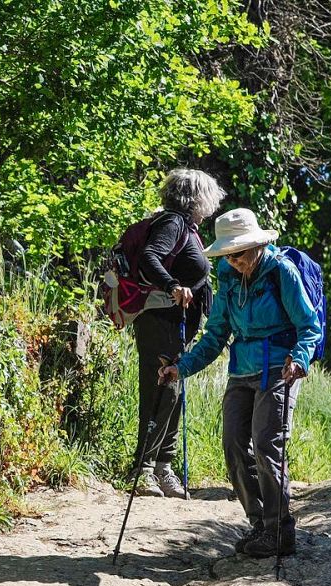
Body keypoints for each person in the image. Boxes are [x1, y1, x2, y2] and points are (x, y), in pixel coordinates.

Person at [158, 208, 322, 557]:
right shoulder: (228, 277)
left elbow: (310, 327)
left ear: (257, 245)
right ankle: (260, 525)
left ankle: (281, 530)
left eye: (239, 254)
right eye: (228, 255)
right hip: (241, 371)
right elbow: (215, 335)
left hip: (281, 368)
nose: (234, 261)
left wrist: (300, 358)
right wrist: (181, 367)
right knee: (233, 443)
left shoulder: (282, 273)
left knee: (266, 444)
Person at [132, 168, 226, 499]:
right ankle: (144, 469)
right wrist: (172, 286)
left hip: (177, 324)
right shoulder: (172, 223)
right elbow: (149, 257)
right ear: (195, 197)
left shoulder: (188, 228)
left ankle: (163, 467)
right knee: (161, 389)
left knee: (173, 391)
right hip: (161, 321)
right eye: (209, 195)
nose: (212, 201)